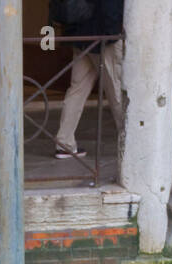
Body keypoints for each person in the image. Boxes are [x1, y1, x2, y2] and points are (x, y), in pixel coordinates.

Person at [52, 0, 124, 160]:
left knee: (77, 90)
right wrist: (114, 34)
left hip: (81, 38)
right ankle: (131, 142)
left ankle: (64, 143)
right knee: (116, 91)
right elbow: (110, 7)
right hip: (105, 39)